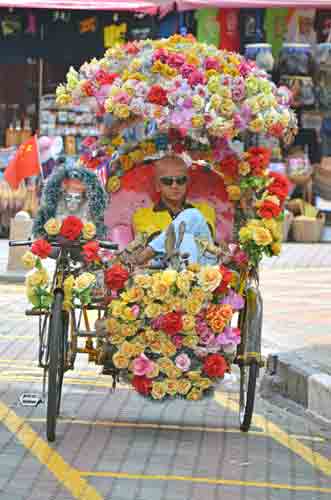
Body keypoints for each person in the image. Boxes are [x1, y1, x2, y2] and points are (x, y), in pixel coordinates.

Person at [132, 155, 218, 266]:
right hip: (165, 268)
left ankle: (145, 255)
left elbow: (204, 241)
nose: (174, 186)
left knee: (193, 215)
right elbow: (160, 245)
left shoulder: (205, 209)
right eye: (167, 181)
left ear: (187, 183)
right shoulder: (142, 215)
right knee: (186, 238)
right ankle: (188, 278)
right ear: (158, 185)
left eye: (181, 180)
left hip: (204, 265)